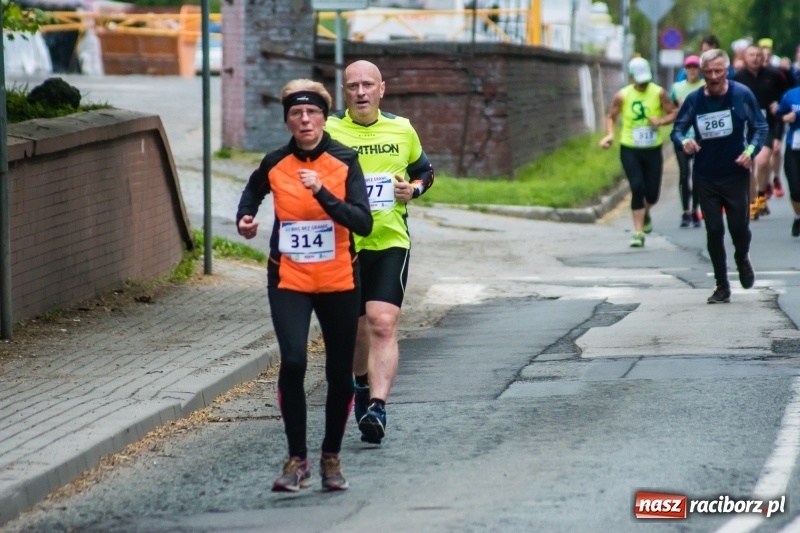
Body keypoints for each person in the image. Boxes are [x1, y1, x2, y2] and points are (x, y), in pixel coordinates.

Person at [236, 79, 373, 492]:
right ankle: (297, 460)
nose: (305, 119)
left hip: (339, 279)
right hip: (289, 277)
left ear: (324, 117)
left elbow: (362, 221)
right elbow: (252, 190)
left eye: (312, 112)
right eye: (296, 113)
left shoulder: (344, 159)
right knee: (293, 360)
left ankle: (331, 457)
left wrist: (324, 193)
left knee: (338, 372)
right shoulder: (276, 161)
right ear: (288, 120)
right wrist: (245, 218)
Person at [325, 60, 434, 445]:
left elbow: (425, 172)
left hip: (389, 241)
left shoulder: (402, 129)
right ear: (344, 92)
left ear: (382, 89)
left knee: (383, 322)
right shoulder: (328, 130)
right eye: (353, 86)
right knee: (356, 334)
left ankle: (377, 406)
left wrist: (414, 191)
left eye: (368, 85)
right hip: (344, 245)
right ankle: (359, 382)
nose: (361, 92)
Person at [671, 49, 768, 304]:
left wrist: (750, 151)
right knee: (714, 230)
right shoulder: (694, 100)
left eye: (718, 71)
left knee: (739, 229)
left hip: (735, 173)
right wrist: (685, 142)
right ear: (701, 73)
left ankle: (742, 259)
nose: (713, 76)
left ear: (727, 71)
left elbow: (760, 127)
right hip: (706, 175)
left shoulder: (741, 94)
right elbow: (677, 130)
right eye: (708, 72)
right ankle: (722, 285)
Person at [600, 57, 677, 247]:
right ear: (631, 77)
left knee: (652, 194)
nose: (642, 84)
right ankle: (638, 232)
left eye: (645, 80)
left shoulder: (659, 93)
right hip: (630, 148)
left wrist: (661, 121)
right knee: (637, 186)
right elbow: (611, 116)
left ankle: (646, 212)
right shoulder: (622, 95)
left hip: (652, 149)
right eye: (639, 80)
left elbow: (674, 112)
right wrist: (610, 135)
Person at [734, 44, 792, 219]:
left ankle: (761, 193)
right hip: (744, 127)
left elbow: (786, 98)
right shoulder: (738, 77)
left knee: (763, 160)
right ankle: (752, 202)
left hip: (766, 125)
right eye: (752, 55)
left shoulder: (773, 76)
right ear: (745, 57)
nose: (756, 58)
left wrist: (780, 108)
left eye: (759, 55)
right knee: (748, 165)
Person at [670, 55, 706, 227]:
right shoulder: (677, 87)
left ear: (699, 70)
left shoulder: (704, 86)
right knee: (684, 174)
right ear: (685, 70)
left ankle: (695, 210)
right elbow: (670, 110)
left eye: (695, 67)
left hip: (700, 136)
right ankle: (685, 211)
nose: (692, 70)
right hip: (682, 136)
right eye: (689, 67)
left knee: (697, 174)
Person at [776, 82, 800, 236]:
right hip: (795, 147)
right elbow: (779, 115)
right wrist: (785, 117)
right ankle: (798, 216)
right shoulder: (791, 94)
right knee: (795, 188)